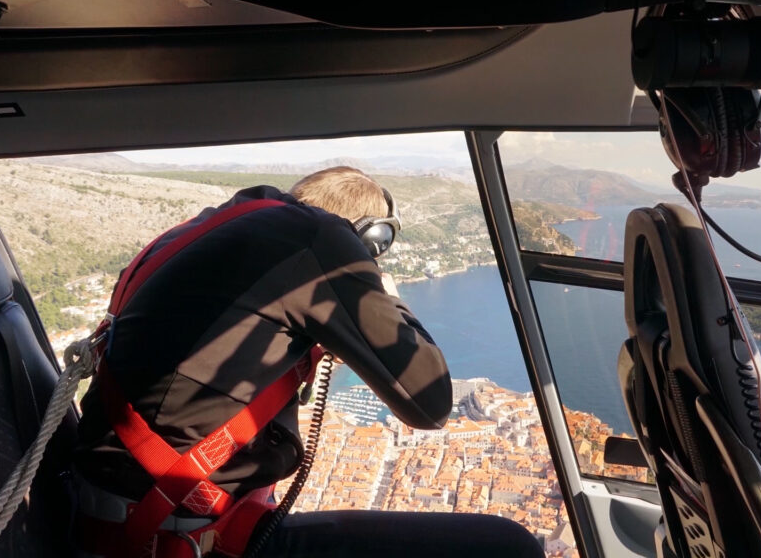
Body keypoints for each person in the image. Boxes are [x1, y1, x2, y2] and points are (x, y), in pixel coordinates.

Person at [74, 166, 544, 557]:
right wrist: (389, 301)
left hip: (113, 515)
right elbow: (431, 402)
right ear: (371, 238)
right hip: (175, 534)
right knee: (509, 547)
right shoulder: (321, 240)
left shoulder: (211, 229)